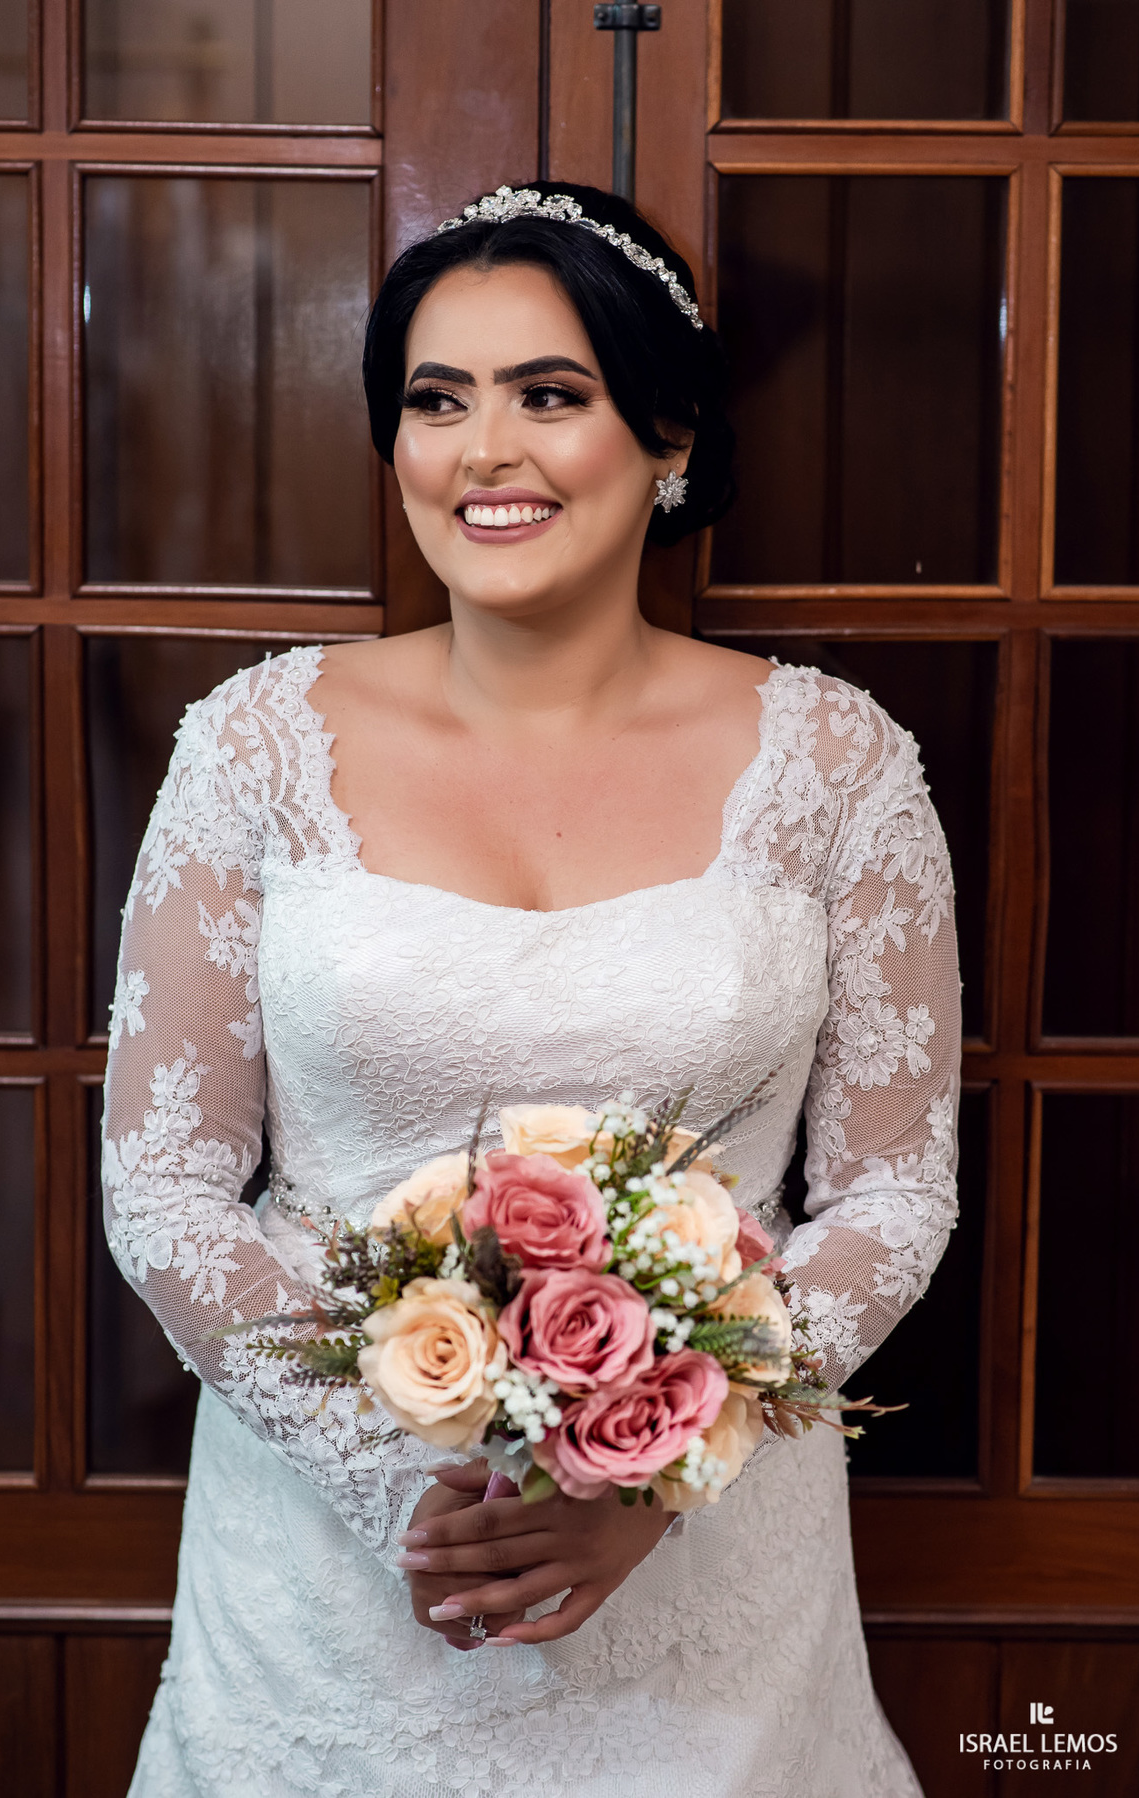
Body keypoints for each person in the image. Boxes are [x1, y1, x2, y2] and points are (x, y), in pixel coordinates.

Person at [103, 181, 960, 1797]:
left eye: (547, 396)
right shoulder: (253, 748)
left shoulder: (838, 764)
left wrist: (651, 1473)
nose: (482, 450)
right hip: (330, 1586)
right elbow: (161, 1187)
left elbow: (893, 1188)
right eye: (436, 401)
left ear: (669, 433)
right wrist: (410, 1484)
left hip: (710, 1571)